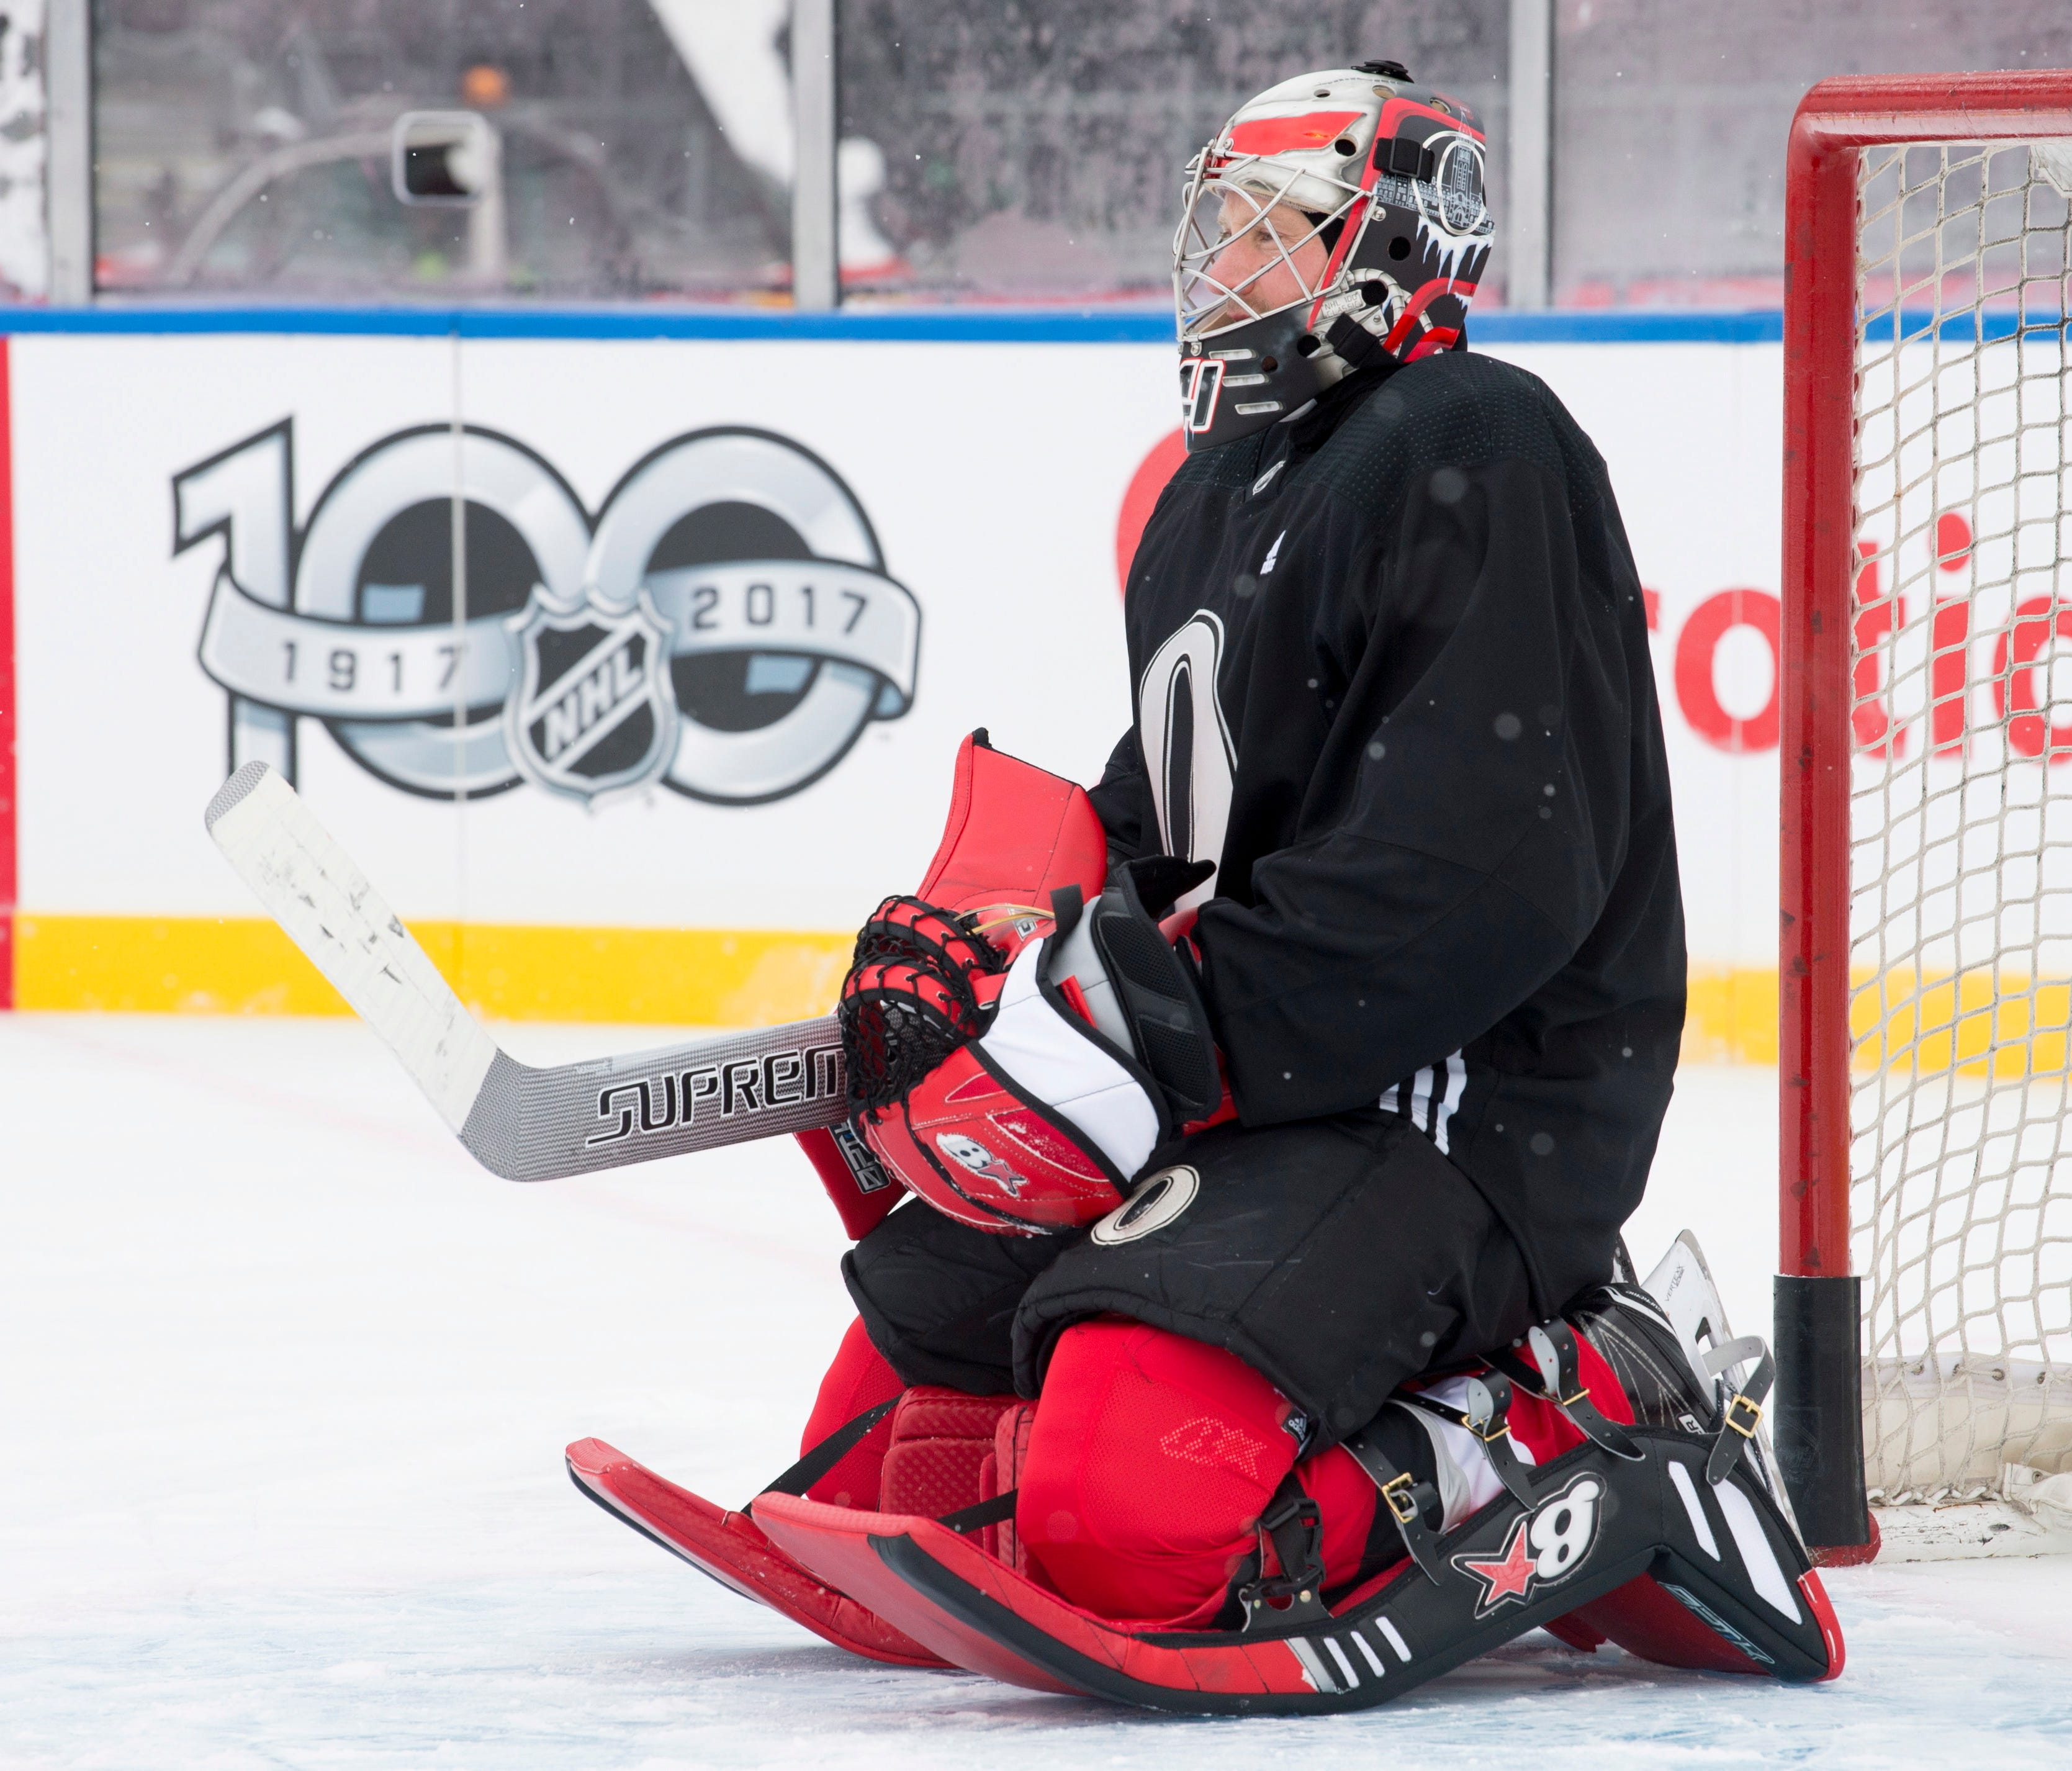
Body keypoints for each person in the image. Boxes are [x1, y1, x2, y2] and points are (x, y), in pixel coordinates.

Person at [608, 60, 1839, 1704]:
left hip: (1450, 1109)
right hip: (1277, 1075)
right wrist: (1004, 952)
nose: (1222, 271)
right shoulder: (1216, 486)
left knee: (1129, 1525)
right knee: (889, 1454)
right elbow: (1178, 803)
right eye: (1220, 230)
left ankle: (1568, 1400)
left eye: (1272, 236)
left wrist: (1147, 1020)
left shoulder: (1479, 437)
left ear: (1394, 253)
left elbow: (1478, 872)